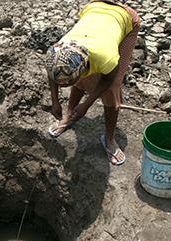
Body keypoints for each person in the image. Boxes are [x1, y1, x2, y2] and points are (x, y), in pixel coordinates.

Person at [45, 0, 140, 166]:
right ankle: (68, 117)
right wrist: (55, 102)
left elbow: (108, 80)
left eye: (69, 82)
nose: (64, 86)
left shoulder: (105, 57)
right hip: (94, 8)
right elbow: (52, 72)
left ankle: (109, 139)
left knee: (112, 89)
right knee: (83, 79)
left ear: (83, 67)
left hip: (126, 18)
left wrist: (86, 104)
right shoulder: (57, 51)